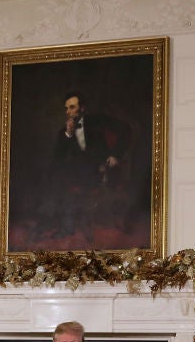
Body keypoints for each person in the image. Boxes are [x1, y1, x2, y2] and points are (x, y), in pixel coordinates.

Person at [43, 92, 134, 240]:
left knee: (69, 176)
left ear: (82, 108)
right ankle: (65, 224)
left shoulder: (98, 120)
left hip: (102, 168)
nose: (68, 112)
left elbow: (126, 129)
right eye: (66, 108)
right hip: (79, 173)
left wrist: (116, 155)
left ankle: (73, 222)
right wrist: (68, 135)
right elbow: (58, 159)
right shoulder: (64, 132)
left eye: (72, 107)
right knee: (55, 173)